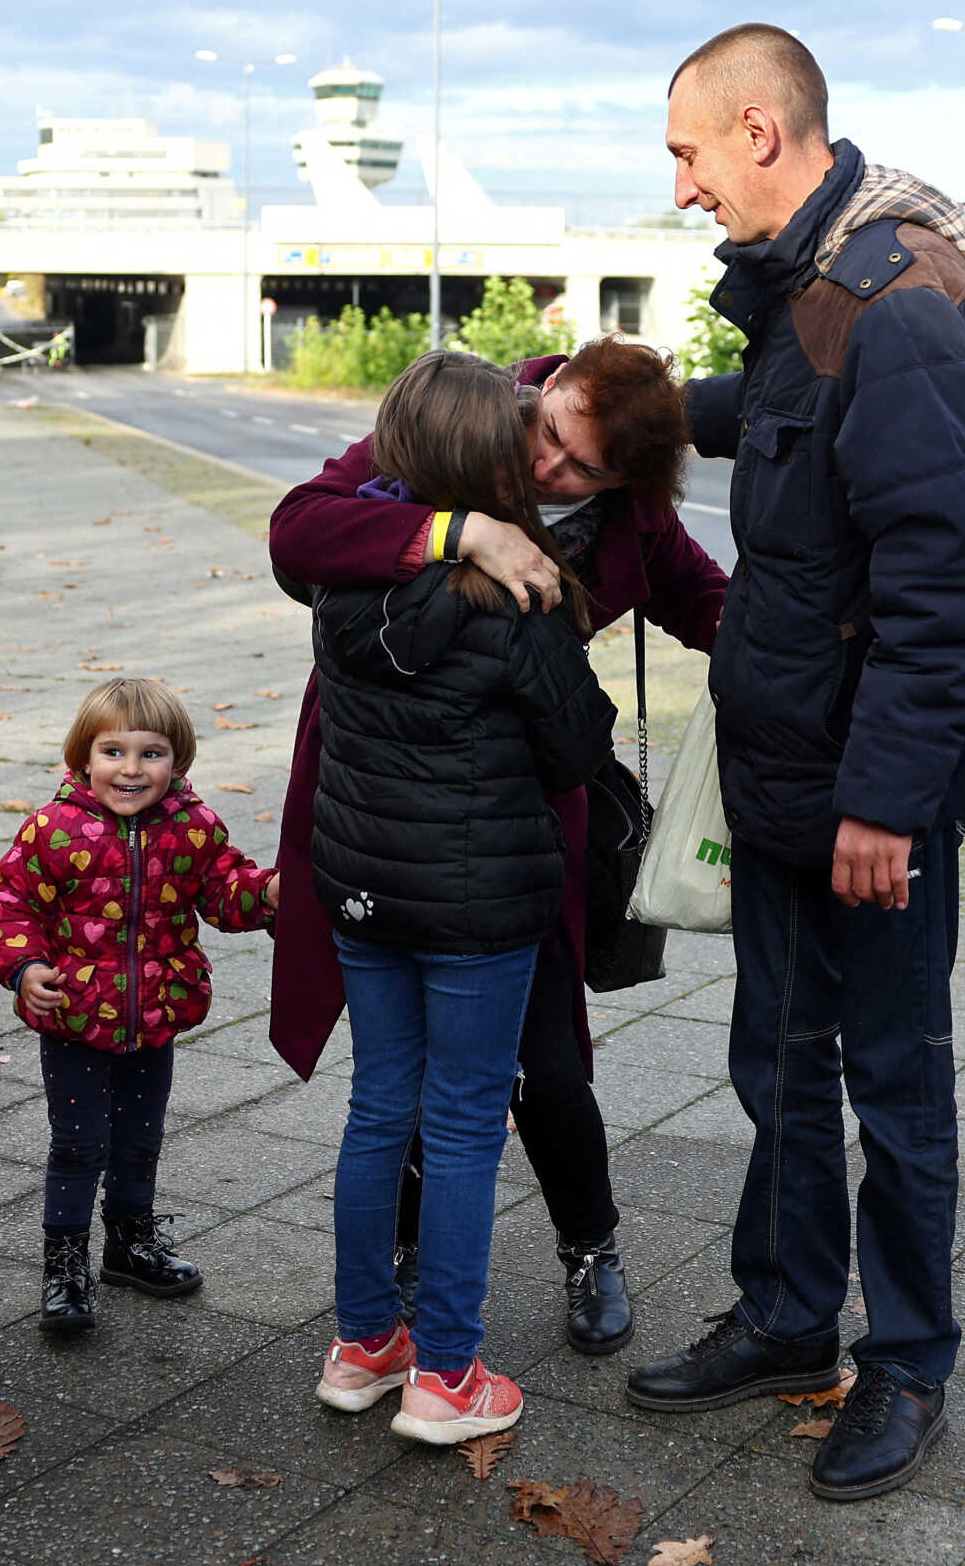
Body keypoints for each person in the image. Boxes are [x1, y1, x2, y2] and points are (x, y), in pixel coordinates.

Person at [626, 25, 965, 1502]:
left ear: (761, 128)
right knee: (779, 1061)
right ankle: (792, 1320)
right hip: (789, 760)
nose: (680, 188)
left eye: (687, 153)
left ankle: (910, 1360)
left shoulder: (898, 299)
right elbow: (792, 422)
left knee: (893, 1080)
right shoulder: (809, 287)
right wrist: (624, 412)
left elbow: (955, 581)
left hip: (868, 788)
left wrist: (889, 800)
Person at [268, 337, 728, 1355]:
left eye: (584, 470)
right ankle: (393, 1268)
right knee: (396, 1070)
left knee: (546, 1064)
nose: (552, 470)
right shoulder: (464, 427)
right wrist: (459, 530)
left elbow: (701, 600)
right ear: (549, 387)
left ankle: (589, 1246)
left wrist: (795, 668)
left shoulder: (631, 517)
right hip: (381, 800)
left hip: (518, 826)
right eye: (554, 435)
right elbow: (299, 528)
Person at [291, 350, 618, 1446]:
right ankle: (447, 1376)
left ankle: (360, 1346)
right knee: (468, 1120)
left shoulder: (345, 584)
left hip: (363, 889)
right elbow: (576, 747)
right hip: (479, 904)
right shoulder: (516, 596)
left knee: (380, 1106)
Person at [0, 679, 280, 1333]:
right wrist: (26, 965)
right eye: (113, 750)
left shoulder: (192, 826)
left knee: (140, 1139)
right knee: (79, 1142)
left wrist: (270, 894)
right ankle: (64, 1264)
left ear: (178, 761)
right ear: (83, 757)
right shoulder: (54, 828)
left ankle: (130, 1242)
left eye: (152, 753)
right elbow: (12, 901)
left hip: (155, 1016)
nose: (132, 768)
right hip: (74, 1018)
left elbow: (225, 891)